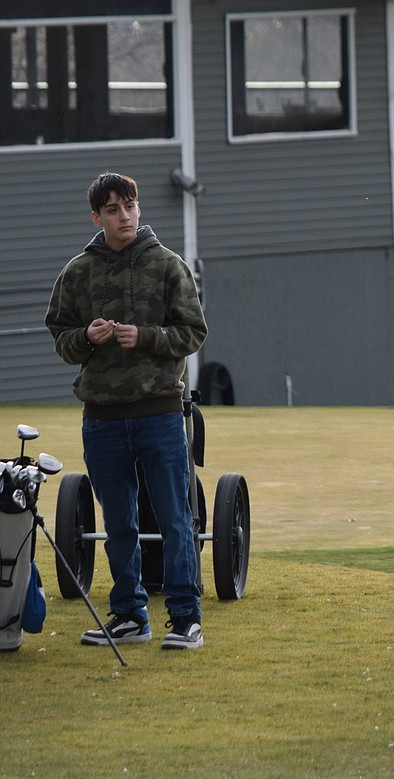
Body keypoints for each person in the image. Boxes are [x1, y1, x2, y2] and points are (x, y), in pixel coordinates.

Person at [45, 172, 208, 650]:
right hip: (102, 418)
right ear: (96, 217)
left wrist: (147, 336)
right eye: (113, 209)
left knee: (176, 519)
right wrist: (85, 338)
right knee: (118, 523)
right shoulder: (77, 272)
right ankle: (130, 617)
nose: (125, 216)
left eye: (130, 205)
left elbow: (194, 332)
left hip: (159, 413)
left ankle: (186, 620)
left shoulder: (168, 266)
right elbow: (61, 339)